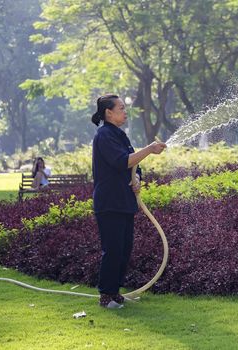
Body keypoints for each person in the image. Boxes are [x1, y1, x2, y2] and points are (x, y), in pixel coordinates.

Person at [91, 93, 166, 309]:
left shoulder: (120, 135)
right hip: (110, 203)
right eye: (121, 108)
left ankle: (115, 292)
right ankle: (106, 296)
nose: (125, 112)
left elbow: (135, 165)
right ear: (109, 112)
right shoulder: (104, 135)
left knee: (124, 249)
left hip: (124, 202)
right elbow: (122, 161)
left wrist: (138, 179)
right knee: (113, 250)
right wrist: (150, 149)